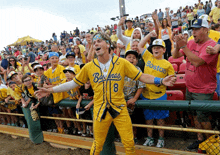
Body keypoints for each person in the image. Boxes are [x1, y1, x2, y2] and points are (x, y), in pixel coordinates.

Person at [35, 32, 176, 155]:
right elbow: (73, 83)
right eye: (94, 42)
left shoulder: (121, 62)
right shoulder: (89, 67)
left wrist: (161, 80)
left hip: (120, 108)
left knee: (129, 143)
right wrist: (50, 90)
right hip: (100, 110)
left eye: (99, 41)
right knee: (97, 145)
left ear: (108, 44)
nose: (96, 43)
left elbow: (142, 76)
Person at [172, 16, 219, 150]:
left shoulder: (212, 46)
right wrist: (177, 45)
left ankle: (211, 144)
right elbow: (175, 56)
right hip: (190, 87)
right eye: (193, 29)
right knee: (194, 116)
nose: (193, 32)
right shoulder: (192, 42)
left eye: (197, 29)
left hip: (204, 89)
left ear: (205, 29)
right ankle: (200, 140)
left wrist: (183, 46)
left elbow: (197, 61)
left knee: (203, 118)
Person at [138, 31, 175, 148]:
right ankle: (150, 138)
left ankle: (161, 139)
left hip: (159, 95)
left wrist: (166, 82)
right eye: (154, 47)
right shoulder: (148, 57)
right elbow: (139, 46)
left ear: (164, 50)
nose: (156, 49)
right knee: (148, 119)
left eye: (159, 47)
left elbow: (172, 80)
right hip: (146, 94)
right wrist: (149, 35)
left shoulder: (167, 64)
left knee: (160, 119)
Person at [123, 50, 146, 144]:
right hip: (121, 100)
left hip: (132, 100)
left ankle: (134, 137)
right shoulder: (120, 69)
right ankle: (123, 138)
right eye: (129, 57)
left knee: (133, 121)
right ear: (125, 59)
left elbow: (141, 86)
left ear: (137, 60)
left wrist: (135, 98)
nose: (131, 59)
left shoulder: (138, 70)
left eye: (134, 57)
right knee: (122, 121)